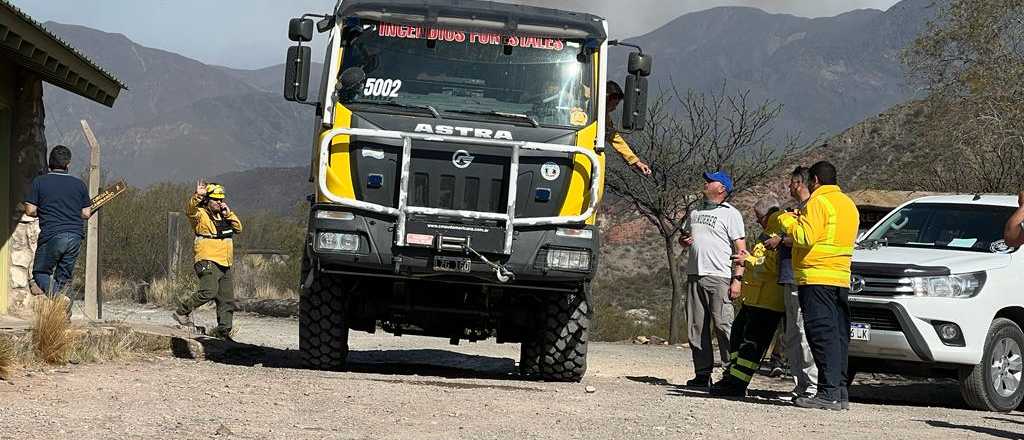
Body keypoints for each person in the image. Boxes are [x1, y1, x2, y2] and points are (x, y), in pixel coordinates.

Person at [777, 161, 859, 410]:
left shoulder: (817, 202)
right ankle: (840, 391)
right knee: (838, 336)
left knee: (820, 335)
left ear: (814, 181)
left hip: (816, 277)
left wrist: (787, 222)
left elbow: (805, 237)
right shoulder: (848, 204)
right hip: (840, 277)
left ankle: (827, 393)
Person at [710, 197, 786, 397]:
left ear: (769, 215)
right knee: (737, 336)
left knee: (752, 345)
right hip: (754, 299)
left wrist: (747, 260)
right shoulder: (767, 234)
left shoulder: (778, 235)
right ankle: (732, 377)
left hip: (768, 300)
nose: (758, 221)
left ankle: (737, 385)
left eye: (760, 217)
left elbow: (771, 267)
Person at [679, 171, 745, 388]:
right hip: (695, 275)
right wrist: (684, 240)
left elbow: (740, 249)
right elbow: (686, 239)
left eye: (710, 181)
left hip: (720, 276)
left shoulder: (731, 214)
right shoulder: (695, 212)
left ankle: (730, 374)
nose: (705, 184)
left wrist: (737, 280)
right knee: (696, 327)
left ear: (722, 188)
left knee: (724, 326)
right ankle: (702, 373)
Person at [765, 166, 819, 399]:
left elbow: (807, 239)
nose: (789, 187)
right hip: (790, 275)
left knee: (803, 332)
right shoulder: (798, 210)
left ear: (800, 183)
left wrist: (782, 237)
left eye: (791, 183)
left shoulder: (813, 208)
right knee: (793, 333)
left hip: (804, 276)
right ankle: (800, 385)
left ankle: (812, 386)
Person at [23, 145, 92, 310]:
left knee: (40, 273)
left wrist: (45, 211)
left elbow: (30, 210)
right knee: (65, 280)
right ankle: (64, 319)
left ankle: (58, 298)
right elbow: (86, 213)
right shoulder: (79, 184)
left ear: (49, 164)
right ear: (68, 164)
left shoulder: (40, 182)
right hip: (75, 236)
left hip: (52, 235)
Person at [172, 180, 243, 340]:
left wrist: (228, 214)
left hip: (225, 262)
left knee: (226, 299)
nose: (220, 202)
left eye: (221, 199)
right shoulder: (200, 214)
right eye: (216, 199)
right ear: (207, 200)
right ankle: (182, 311)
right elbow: (189, 210)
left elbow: (238, 228)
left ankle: (223, 333)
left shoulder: (224, 215)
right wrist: (198, 195)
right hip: (207, 258)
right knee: (209, 291)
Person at [606, 81, 652, 176]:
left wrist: (636, 162)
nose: (614, 109)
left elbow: (615, 138)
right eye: (614, 104)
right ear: (606, 98)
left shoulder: (604, 119)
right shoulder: (580, 106)